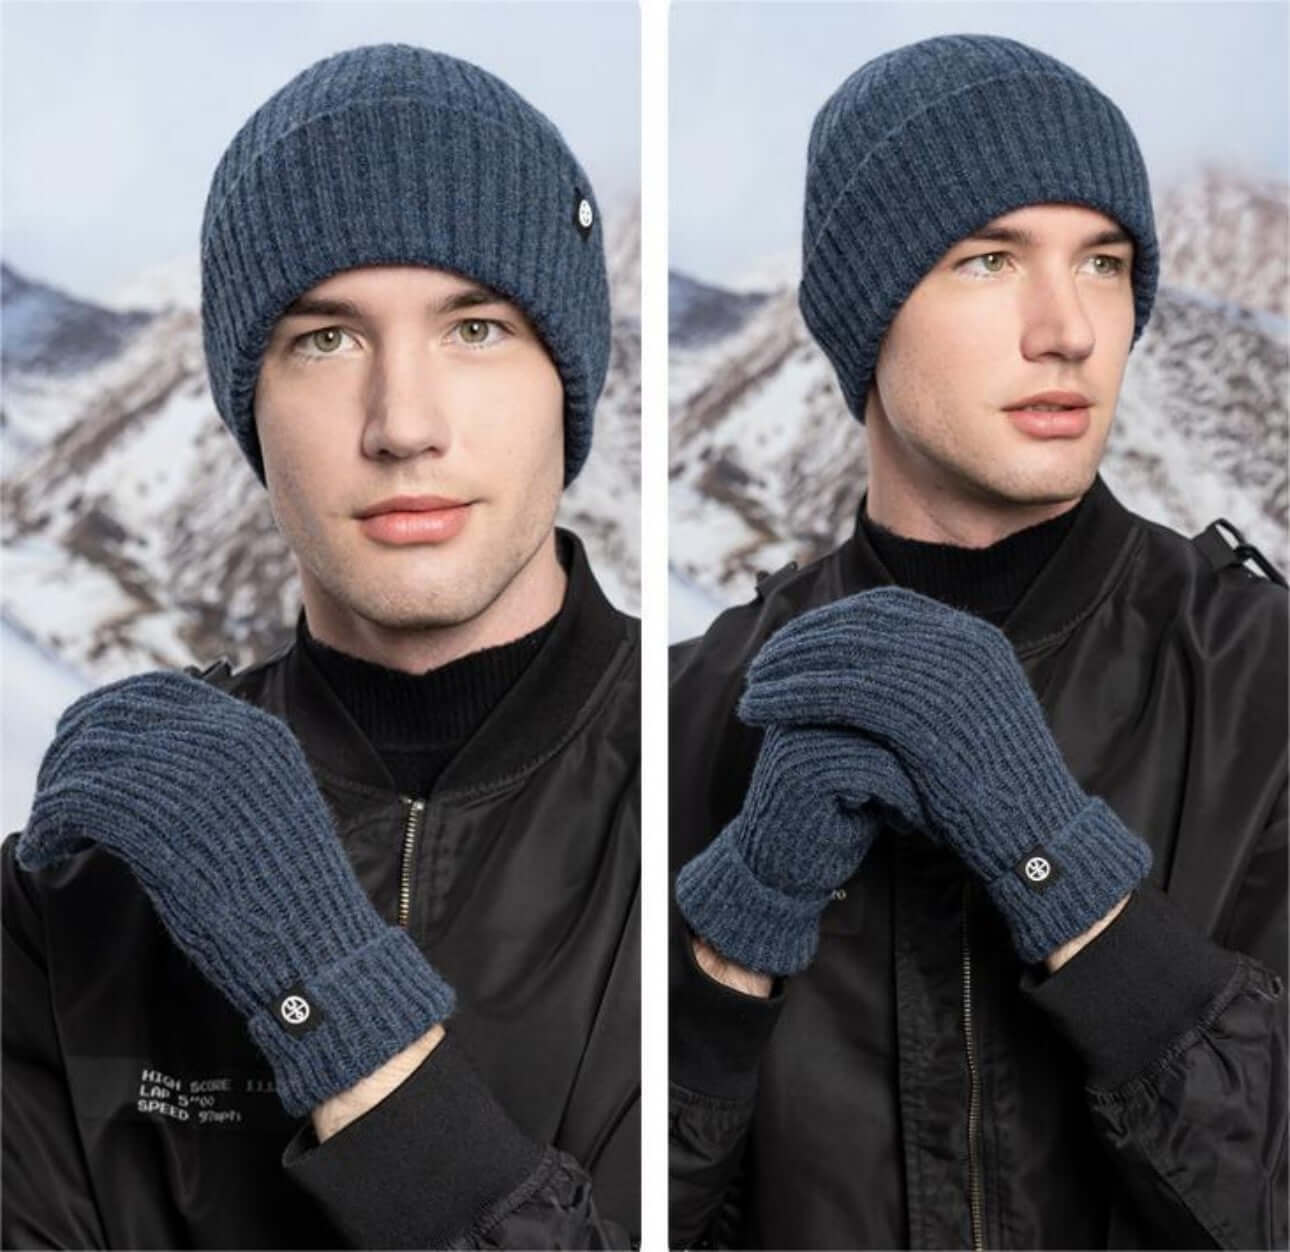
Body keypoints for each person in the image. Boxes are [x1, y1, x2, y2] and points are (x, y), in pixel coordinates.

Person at [3, 43, 639, 1249]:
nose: (404, 423)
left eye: (477, 328)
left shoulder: (745, 790)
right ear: (251, 402)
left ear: (570, 375)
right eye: (325, 339)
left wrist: (333, 1005)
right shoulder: (81, 893)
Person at [669, 33, 1286, 1250]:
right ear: (867, 309)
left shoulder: (1264, 684)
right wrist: (725, 977)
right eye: (989, 259)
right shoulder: (698, 708)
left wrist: (1058, 864)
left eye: (1102, 263)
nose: (1066, 328)